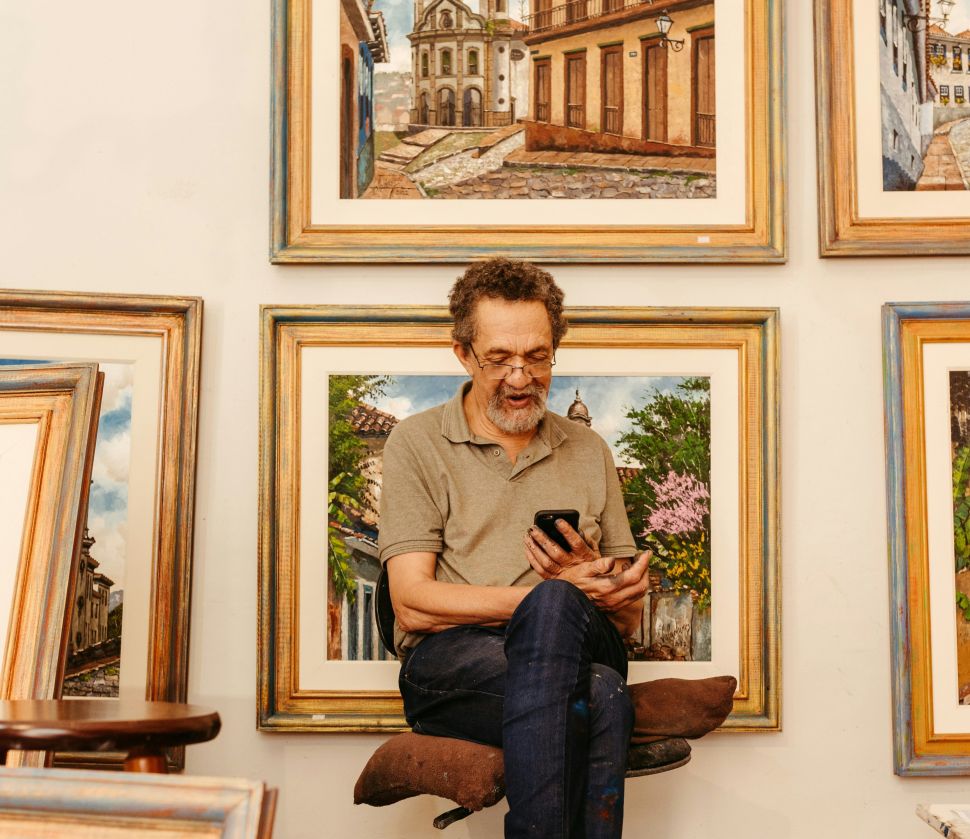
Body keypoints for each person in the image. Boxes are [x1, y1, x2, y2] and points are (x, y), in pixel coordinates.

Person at [378, 258, 650, 839]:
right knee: (604, 695)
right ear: (463, 353)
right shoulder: (416, 442)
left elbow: (626, 624)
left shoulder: (590, 450)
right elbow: (411, 603)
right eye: (499, 358)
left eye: (538, 357)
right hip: (453, 661)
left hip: (581, 644)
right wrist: (555, 595)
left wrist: (597, 587)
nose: (521, 377)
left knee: (558, 609)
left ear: (555, 351)